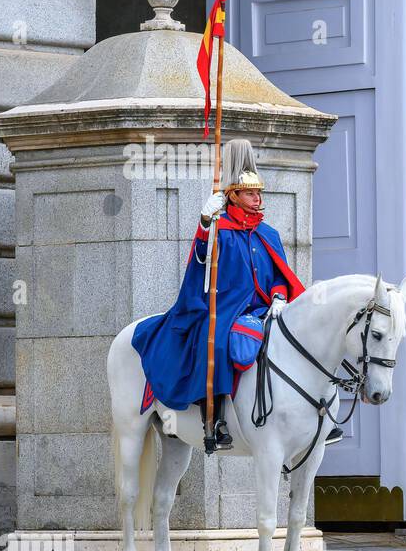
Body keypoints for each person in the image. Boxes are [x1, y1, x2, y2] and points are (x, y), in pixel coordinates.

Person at [131, 139, 341, 451]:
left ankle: (320, 416)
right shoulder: (219, 228)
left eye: (259, 193)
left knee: (303, 339)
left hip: (262, 308)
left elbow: (278, 275)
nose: (257, 199)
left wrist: (280, 296)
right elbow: (199, 264)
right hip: (224, 306)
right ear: (234, 195)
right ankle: (213, 417)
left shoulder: (267, 233)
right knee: (216, 339)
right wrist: (205, 224)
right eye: (250, 193)